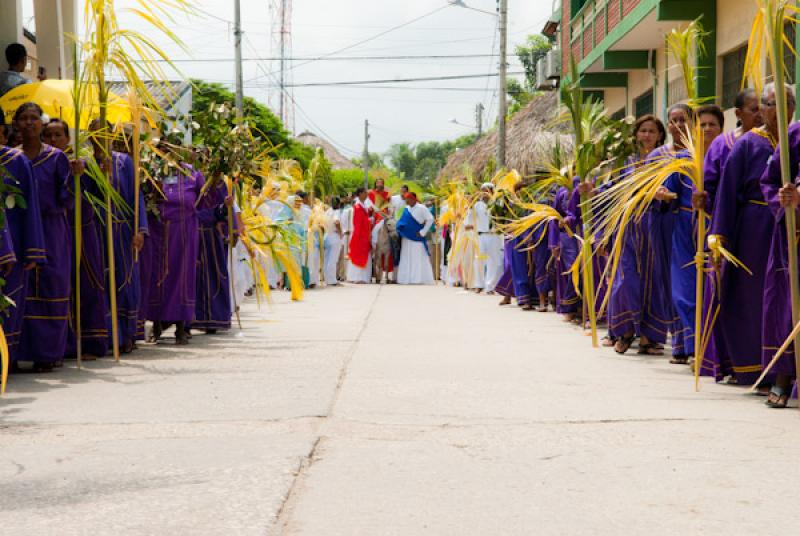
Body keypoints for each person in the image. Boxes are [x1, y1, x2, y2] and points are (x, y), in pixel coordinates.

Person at [705, 84, 786, 390]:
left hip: (790, 225)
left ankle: (786, 370)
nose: (778, 110)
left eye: (786, 102)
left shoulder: (793, 139)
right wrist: (720, 237)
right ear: (760, 110)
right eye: (770, 104)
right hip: (754, 230)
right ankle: (753, 367)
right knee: (752, 298)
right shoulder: (747, 145)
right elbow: (726, 192)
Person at [655, 104, 723, 365]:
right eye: (701, 125)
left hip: (718, 225)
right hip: (685, 228)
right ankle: (695, 345)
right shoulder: (681, 160)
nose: (706, 129)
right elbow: (666, 190)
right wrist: (661, 194)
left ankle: (710, 350)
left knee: (713, 288)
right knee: (684, 292)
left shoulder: (726, 152)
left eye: (711, 125)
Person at [44, 119, 110, 360]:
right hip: (56, 232)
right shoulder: (44, 161)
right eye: (48, 135)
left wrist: (94, 172)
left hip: (83, 229)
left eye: (58, 135)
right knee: (61, 285)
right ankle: (65, 343)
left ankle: (91, 341)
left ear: (67, 138)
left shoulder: (84, 162)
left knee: (88, 283)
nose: (53, 140)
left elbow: (102, 195)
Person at [16, 103, 73, 371]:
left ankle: (48, 354)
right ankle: (15, 352)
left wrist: (77, 178)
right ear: (15, 123)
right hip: (20, 231)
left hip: (52, 231)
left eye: (34, 118)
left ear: (41, 122)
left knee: (52, 284)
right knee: (19, 289)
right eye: (23, 118)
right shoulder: (10, 158)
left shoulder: (56, 158)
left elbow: (68, 199)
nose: (29, 123)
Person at [605, 115, 667, 354]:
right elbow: (611, 191)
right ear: (635, 134)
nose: (647, 135)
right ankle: (626, 330)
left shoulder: (664, 161)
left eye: (652, 131)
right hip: (627, 226)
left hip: (653, 224)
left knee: (653, 280)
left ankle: (649, 336)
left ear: (660, 135)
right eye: (643, 130)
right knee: (626, 279)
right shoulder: (625, 162)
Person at [0, 106, 46, 368]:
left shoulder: (17, 162)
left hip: (15, 243)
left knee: (11, 302)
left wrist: (33, 248)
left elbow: (31, 207)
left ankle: (8, 359)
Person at [145, 156, 203, 345]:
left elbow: (204, 204)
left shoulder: (193, 175)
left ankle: (181, 327)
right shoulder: (152, 171)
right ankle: (156, 325)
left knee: (182, 277)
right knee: (158, 277)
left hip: (184, 233)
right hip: (158, 232)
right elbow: (145, 200)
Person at [194, 177, 235, 334]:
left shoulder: (221, 184)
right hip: (192, 233)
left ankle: (214, 319)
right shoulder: (193, 178)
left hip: (212, 236)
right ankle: (191, 319)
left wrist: (226, 207)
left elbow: (227, 210)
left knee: (214, 275)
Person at [396, 192, 435, 285]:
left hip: (417, 238)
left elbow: (430, 219)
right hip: (406, 238)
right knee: (406, 257)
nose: (406, 201)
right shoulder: (406, 209)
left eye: (408, 199)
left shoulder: (422, 208)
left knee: (417, 258)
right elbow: (402, 221)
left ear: (413, 199)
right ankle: (405, 278)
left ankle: (417, 279)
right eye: (405, 199)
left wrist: (423, 232)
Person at [347, 187, 374, 283]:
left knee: (364, 255)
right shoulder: (358, 206)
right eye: (365, 193)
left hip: (364, 234)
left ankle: (361, 277)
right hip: (360, 235)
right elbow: (357, 223)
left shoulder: (363, 205)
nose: (367, 195)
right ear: (361, 193)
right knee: (359, 255)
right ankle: (357, 277)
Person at [323, 197, 343, 286]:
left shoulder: (328, 211)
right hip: (334, 235)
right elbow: (337, 222)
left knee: (327, 259)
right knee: (333, 259)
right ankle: (332, 280)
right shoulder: (337, 212)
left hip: (326, 235)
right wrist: (340, 232)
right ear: (338, 204)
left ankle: (327, 279)